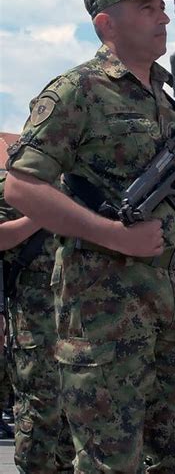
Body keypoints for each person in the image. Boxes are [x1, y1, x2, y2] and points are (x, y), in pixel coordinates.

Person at [5, 0, 175, 474]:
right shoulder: (76, 91)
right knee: (111, 459)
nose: (164, 17)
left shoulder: (165, 102)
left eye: (163, 6)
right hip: (103, 306)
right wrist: (110, 234)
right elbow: (22, 185)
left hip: (173, 301)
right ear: (106, 24)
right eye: (147, 7)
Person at [0, 176, 75, 472]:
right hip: (35, 321)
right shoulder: (15, 185)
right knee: (40, 407)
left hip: (81, 319)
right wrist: (45, 212)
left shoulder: (85, 181)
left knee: (76, 408)